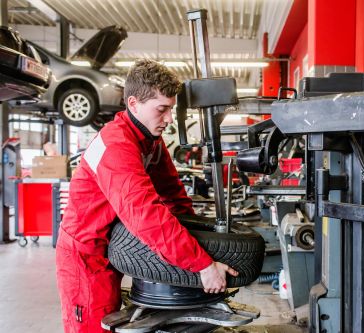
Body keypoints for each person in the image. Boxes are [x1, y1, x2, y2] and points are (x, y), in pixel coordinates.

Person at [55, 59, 238, 333]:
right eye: (161, 110)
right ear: (133, 104)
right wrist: (201, 264)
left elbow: (173, 196)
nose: (167, 119)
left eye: (171, 110)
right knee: (94, 327)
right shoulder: (115, 145)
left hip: (108, 248)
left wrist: (203, 241)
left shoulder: (149, 140)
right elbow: (145, 214)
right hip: (85, 255)